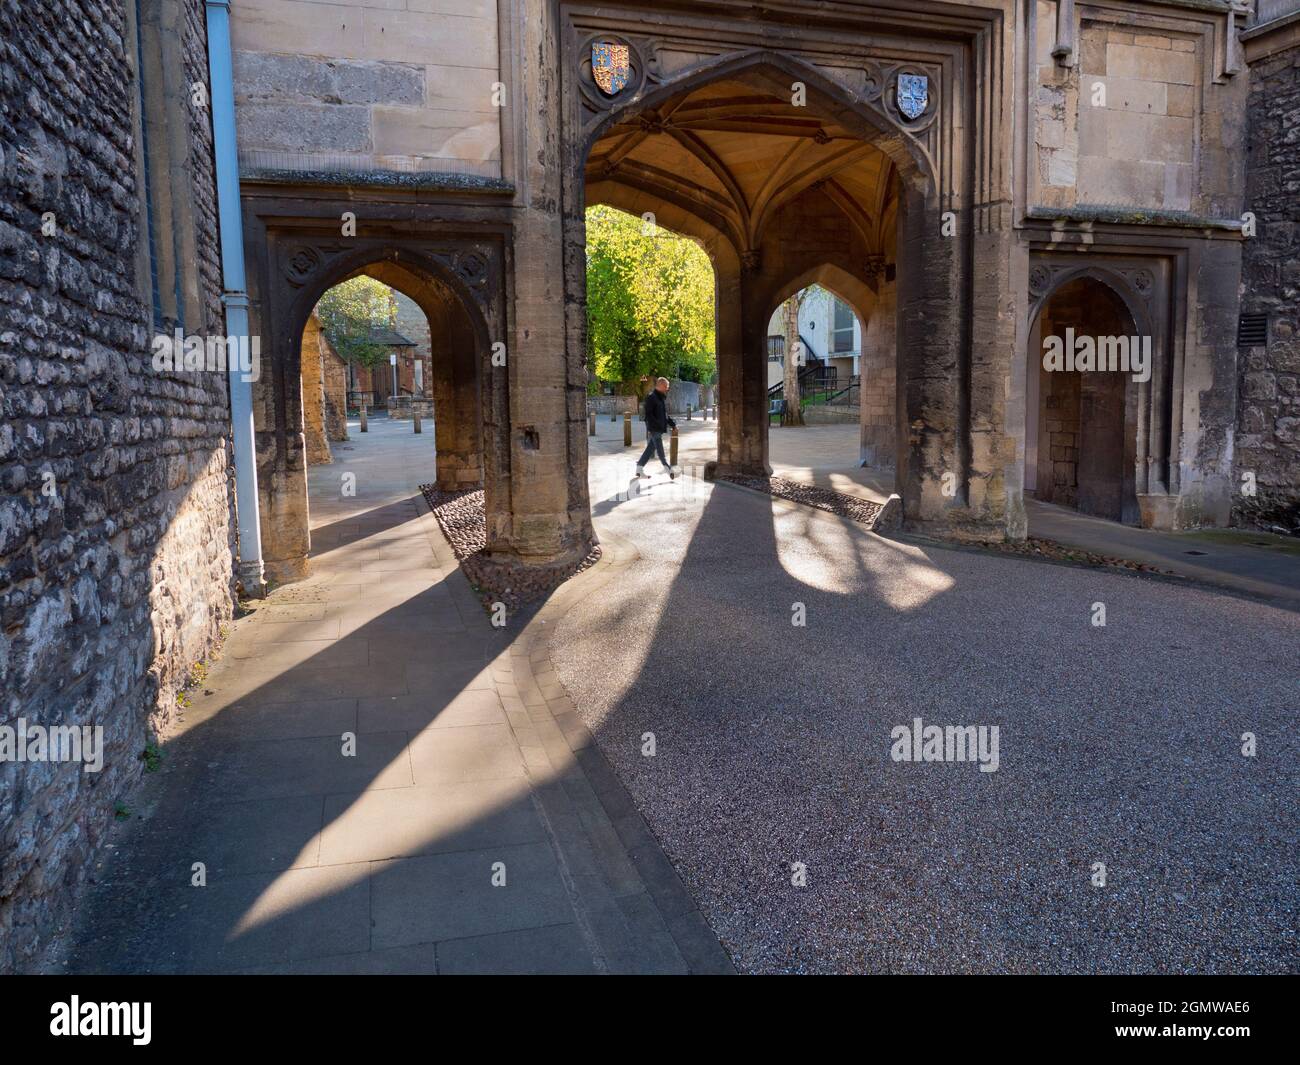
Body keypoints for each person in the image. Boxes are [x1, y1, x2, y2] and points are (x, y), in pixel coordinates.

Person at [636, 377, 677, 479]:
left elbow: (665, 415)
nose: (667, 388)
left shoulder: (660, 398)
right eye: (666, 386)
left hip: (659, 428)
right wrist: (652, 428)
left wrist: (673, 425)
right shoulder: (651, 397)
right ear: (662, 385)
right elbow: (648, 415)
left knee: (650, 449)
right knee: (660, 449)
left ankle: (639, 468)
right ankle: (668, 469)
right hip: (655, 429)